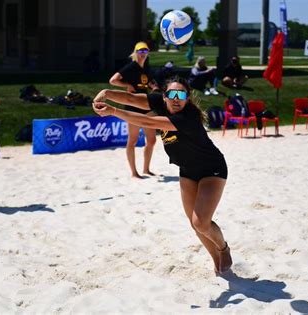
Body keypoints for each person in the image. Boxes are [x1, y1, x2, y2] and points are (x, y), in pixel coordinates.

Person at [92, 76, 233, 275]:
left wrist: (113, 111)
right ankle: (217, 264)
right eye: (172, 94)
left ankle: (223, 248)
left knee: (200, 222)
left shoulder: (188, 117)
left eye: (181, 94)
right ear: (164, 97)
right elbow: (132, 99)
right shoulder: (161, 102)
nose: (176, 99)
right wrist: (106, 94)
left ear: (188, 98)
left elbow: (146, 120)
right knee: (196, 225)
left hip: (212, 169)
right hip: (187, 171)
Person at [109, 41, 156, 178]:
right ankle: (134, 173)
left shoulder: (146, 68)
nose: (143, 54)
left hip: (146, 105)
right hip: (133, 107)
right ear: (136, 53)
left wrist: (153, 86)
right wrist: (127, 85)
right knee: (133, 140)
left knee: (152, 140)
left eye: (145, 51)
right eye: (140, 51)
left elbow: (147, 83)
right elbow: (113, 80)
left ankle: (146, 169)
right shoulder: (131, 66)